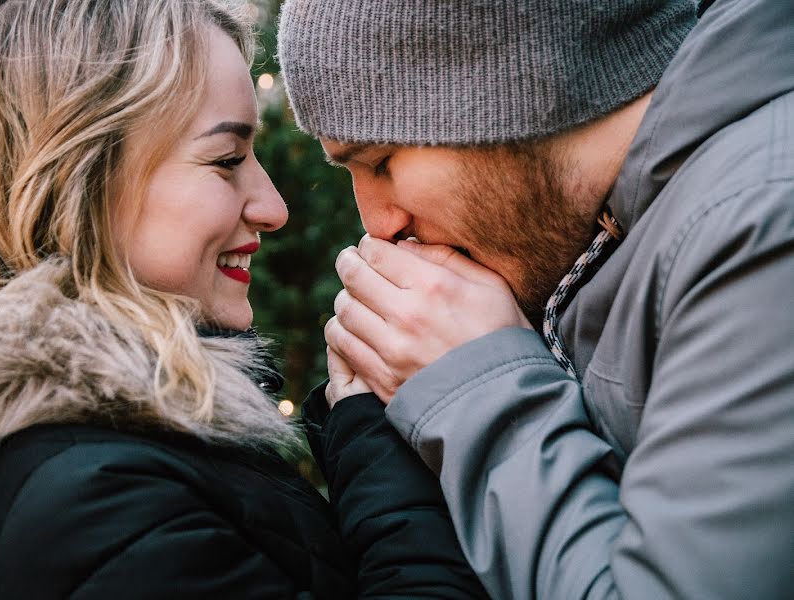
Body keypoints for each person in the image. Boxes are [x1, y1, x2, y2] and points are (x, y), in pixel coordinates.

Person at [0, 1, 487, 598]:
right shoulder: (91, 503)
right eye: (227, 160)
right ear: (75, 183)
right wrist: (379, 434)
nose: (274, 207)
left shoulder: (104, 448)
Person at [279, 0, 794, 598]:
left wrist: (478, 388)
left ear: (506, 93)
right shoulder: (590, 243)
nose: (379, 224)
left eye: (382, 161)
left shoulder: (762, 222)